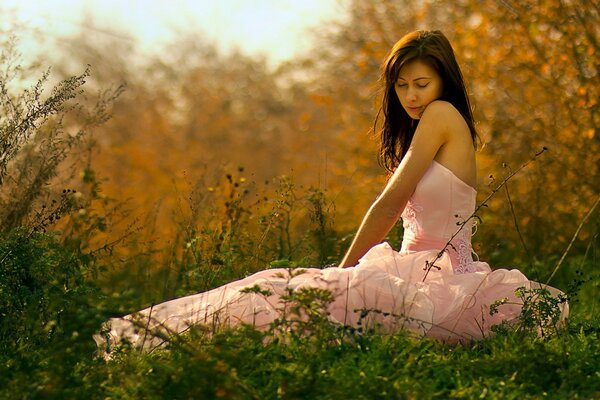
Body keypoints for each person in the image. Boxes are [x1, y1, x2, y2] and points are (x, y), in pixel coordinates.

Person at [95, 30, 568, 355]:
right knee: (281, 292)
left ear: (444, 79)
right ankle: (172, 342)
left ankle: (170, 343)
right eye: (401, 85)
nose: (411, 95)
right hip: (421, 273)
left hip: (441, 279)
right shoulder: (432, 124)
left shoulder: (443, 115)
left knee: (298, 294)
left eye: (421, 83)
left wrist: (342, 271)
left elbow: (388, 202)